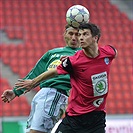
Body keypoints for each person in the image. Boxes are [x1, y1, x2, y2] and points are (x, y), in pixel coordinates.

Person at [9, 22, 117, 133]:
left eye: (84, 34)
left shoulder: (108, 52)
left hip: (97, 117)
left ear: (95, 37)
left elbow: (114, 52)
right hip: (74, 117)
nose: (80, 38)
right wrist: (31, 83)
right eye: (79, 35)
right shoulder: (73, 60)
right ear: (64, 34)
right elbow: (52, 72)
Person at [1, 25, 81, 133]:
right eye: (71, 34)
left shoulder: (82, 56)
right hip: (41, 94)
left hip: (56, 94)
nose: (73, 38)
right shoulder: (52, 53)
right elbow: (36, 72)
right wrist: (16, 91)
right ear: (64, 34)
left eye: (77, 34)